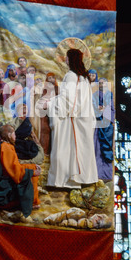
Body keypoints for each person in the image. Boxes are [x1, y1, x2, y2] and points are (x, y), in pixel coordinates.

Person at [44, 48, 98, 188]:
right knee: (81, 151)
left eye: (67, 57)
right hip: (84, 119)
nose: (66, 60)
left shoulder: (71, 76)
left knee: (67, 149)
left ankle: (66, 180)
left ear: (71, 59)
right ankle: (80, 179)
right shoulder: (84, 78)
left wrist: (50, 103)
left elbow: (68, 100)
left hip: (73, 120)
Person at [0, 124, 41, 215]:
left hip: (5, 177)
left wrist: (32, 168)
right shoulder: (6, 147)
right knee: (32, 171)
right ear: (9, 135)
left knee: (32, 167)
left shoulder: (2, 146)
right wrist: (33, 172)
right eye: (14, 134)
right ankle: (33, 202)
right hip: (2, 187)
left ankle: (34, 200)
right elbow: (15, 173)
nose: (15, 136)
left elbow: (13, 167)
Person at [92, 78, 115, 180]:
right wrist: (98, 109)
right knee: (97, 148)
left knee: (107, 148)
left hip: (107, 125)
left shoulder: (109, 94)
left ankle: (106, 174)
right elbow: (93, 106)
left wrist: (111, 119)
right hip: (98, 124)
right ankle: (96, 173)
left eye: (103, 83)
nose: (102, 84)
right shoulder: (95, 94)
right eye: (100, 83)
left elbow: (111, 108)